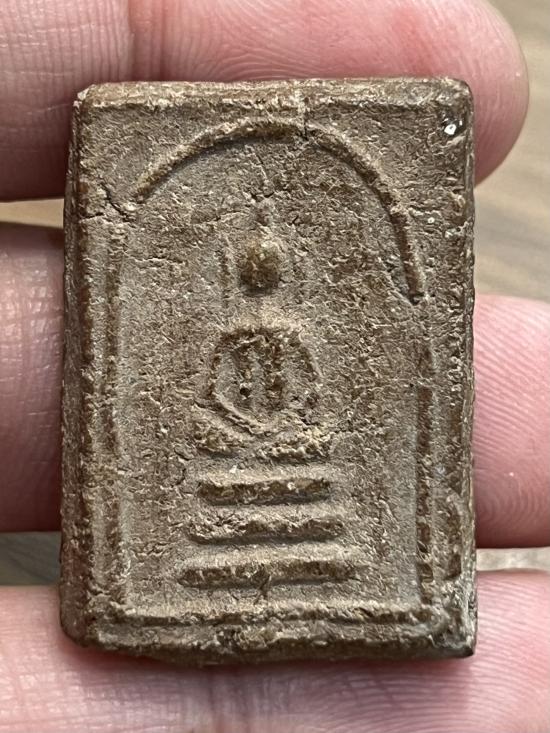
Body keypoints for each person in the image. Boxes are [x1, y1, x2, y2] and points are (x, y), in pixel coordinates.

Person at [0, 1, 548, 730]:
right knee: (225, 466)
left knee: (302, 465)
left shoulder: (288, 333)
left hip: (287, 447)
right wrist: (237, 423)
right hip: (236, 448)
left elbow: (306, 395)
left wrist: (279, 424)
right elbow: (218, 393)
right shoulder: (235, 334)